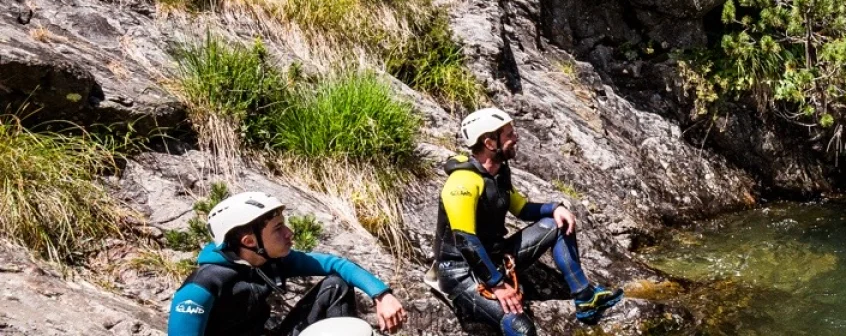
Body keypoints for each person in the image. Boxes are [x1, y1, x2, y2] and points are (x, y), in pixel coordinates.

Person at [431, 108, 623, 335]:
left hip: (496, 257)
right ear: (490, 142)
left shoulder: (498, 174)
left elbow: (521, 208)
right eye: (509, 134)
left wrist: (555, 208)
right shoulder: (462, 182)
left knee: (557, 223)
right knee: (522, 329)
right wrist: (498, 284)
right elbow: (465, 241)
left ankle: (585, 298)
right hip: (461, 271)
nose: (516, 137)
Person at [166, 192, 407, 336]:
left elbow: (336, 265)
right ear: (249, 241)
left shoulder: (269, 260)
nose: (290, 233)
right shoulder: (202, 286)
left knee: (336, 285)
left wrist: (382, 295)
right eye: (278, 229)